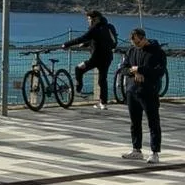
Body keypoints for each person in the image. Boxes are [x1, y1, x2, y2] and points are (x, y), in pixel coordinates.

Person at [120, 28, 166, 165]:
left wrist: (140, 70)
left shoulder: (157, 52)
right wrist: (133, 72)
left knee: (153, 122)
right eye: (133, 43)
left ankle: (155, 152)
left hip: (149, 92)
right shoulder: (131, 51)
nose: (136, 45)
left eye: (138, 43)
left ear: (144, 38)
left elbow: (160, 71)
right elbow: (123, 68)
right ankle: (136, 149)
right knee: (134, 122)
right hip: (132, 91)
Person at [66, 10, 117, 111]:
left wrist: (66, 44)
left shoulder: (94, 28)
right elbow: (108, 41)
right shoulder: (109, 27)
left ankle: (78, 89)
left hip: (95, 59)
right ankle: (103, 103)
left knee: (78, 68)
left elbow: (82, 38)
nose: (88, 21)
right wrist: (87, 44)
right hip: (107, 57)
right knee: (102, 80)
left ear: (96, 19)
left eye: (89, 19)